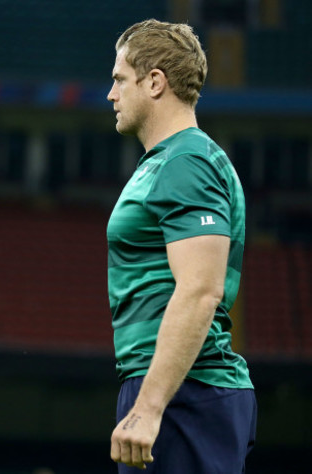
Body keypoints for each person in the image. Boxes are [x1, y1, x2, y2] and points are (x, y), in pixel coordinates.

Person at [105, 20, 256, 472]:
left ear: (155, 82)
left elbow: (199, 289)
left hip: (185, 392)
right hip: (174, 388)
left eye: (119, 80)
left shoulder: (186, 160)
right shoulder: (171, 160)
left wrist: (150, 407)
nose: (111, 94)